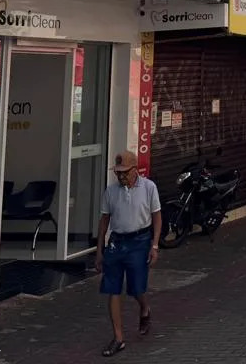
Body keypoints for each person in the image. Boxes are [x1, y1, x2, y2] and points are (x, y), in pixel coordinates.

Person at [95, 150, 161, 357]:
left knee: (136, 288)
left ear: (135, 170)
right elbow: (104, 220)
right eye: (118, 173)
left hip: (140, 241)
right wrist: (99, 250)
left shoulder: (149, 187)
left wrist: (155, 245)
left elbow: (157, 217)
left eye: (125, 172)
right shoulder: (111, 191)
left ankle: (144, 308)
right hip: (117, 242)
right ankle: (118, 338)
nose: (121, 176)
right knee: (112, 289)